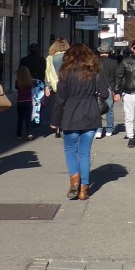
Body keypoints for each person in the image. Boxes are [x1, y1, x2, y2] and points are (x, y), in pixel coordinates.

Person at [50, 44, 112, 201]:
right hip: (91, 114)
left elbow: (60, 98)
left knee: (71, 149)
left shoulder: (66, 72)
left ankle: (74, 181)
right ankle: (84, 189)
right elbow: (105, 93)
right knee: (85, 152)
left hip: (71, 114)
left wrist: (55, 120)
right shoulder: (95, 70)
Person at [17, 43, 47, 131]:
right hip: (39, 82)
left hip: (27, 82)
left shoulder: (24, 60)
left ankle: (28, 117)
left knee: (28, 100)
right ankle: (36, 119)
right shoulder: (42, 60)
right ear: (38, 50)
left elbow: (20, 72)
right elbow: (45, 72)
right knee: (38, 101)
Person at [44, 38, 69, 138]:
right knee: (67, 106)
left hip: (55, 85)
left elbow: (48, 73)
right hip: (68, 84)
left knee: (58, 105)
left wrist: (47, 86)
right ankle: (65, 126)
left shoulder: (50, 58)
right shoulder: (69, 57)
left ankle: (58, 126)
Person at [97, 46, 119, 138]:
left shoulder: (95, 62)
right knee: (109, 109)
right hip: (109, 88)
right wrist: (117, 91)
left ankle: (98, 130)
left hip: (97, 88)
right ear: (109, 52)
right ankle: (109, 129)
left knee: (97, 109)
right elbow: (117, 77)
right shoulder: (113, 63)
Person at [15, 64, 34, 138]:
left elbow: (16, 87)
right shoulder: (30, 81)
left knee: (20, 118)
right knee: (28, 118)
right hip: (28, 101)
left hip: (20, 102)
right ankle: (29, 133)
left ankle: (19, 133)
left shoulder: (18, 82)